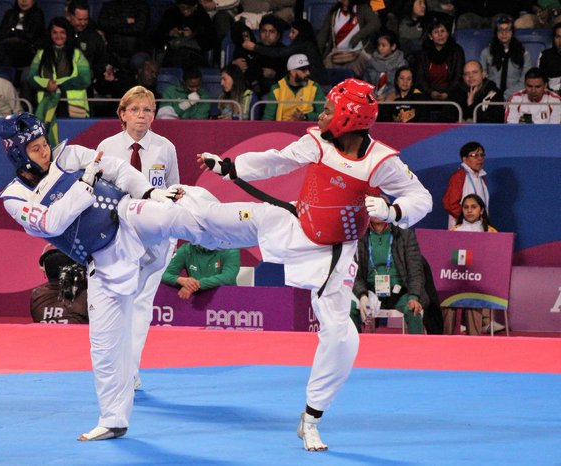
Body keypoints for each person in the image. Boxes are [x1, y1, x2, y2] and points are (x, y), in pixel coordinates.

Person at [187, 78, 432, 451]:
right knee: (212, 219)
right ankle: (152, 207)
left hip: (331, 254)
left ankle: (311, 418)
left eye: (330, 109)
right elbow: (276, 160)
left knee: (342, 337)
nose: (321, 114)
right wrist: (229, 166)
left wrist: (392, 209)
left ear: (349, 119)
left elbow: (422, 198)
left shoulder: (381, 163)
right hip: (292, 223)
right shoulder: (316, 141)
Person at [0, 112, 219, 442]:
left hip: (128, 219)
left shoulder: (68, 155)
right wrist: (85, 184)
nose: (44, 151)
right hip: (102, 262)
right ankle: (113, 419)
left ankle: (237, 223)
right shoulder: (15, 197)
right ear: (18, 154)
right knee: (104, 347)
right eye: (35, 148)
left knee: (170, 207)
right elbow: (51, 224)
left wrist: (147, 192)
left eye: (44, 143)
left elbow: (115, 168)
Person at [96, 85, 180, 391]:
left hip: (154, 236)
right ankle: (117, 365)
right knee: (119, 302)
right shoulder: (107, 147)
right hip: (117, 234)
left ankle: (130, 369)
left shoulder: (164, 148)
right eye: (135, 110)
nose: (141, 116)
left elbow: (173, 190)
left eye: (147, 110)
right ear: (122, 114)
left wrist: (172, 235)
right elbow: (95, 191)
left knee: (142, 304)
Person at [350, 214, 427, 335]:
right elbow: (354, 273)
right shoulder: (358, 237)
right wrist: (362, 295)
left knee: (413, 310)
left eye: (380, 209)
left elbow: (415, 270)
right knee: (349, 308)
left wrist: (414, 297)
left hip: (401, 293)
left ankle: (418, 351)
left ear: (388, 212)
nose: (376, 214)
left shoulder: (405, 235)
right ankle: (354, 349)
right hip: (370, 293)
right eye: (373, 210)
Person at [28, 16, 92, 146]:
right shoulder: (41, 53)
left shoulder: (77, 54)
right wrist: (46, 84)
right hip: (46, 107)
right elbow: (31, 78)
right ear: (49, 34)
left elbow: (85, 79)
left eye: (62, 32)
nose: (58, 36)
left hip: (71, 109)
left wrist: (59, 84)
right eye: (55, 32)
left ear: (67, 34)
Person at [442, 194, 497, 336]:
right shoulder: (453, 231)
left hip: (480, 282)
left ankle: (474, 346)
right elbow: (446, 259)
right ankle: (444, 344)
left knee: (474, 301)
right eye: (466, 207)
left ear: (482, 210)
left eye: (473, 207)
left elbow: (494, 262)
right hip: (455, 280)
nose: (469, 210)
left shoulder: (491, 233)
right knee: (447, 303)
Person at [240, 18, 328, 87]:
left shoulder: (305, 45)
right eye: (290, 32)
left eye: (293, 32)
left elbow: (279, 53)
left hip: (318, 87)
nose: (289, 35)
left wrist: (255, 47)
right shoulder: (307, 44)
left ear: (302, 34)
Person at [316, 0, 381, 78]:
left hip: (359, 52)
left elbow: (375, 23)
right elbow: (323, 35)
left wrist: (357, 36)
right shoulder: (334, 12)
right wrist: (317, 55)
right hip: (337, 54)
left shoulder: (362, 9)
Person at [231, 13, 289, 98]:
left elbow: (290, 76)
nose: (267, 35)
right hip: (252, 91)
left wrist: (275, 74)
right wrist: (234, 66)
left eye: (272, 31)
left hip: (277, 92)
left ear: (278, 35)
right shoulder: (251, 49)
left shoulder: (284, 51)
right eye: (264, 31)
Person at [31, 246, 89, 324]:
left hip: (45, 335)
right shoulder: (87, 293)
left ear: (46, 273)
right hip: (78, 335)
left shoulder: (37, 294)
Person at [479, 14, 531, 100]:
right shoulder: (486, 53)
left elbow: (525, 81)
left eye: (507, 30)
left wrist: (506, 95)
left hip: (516, 95)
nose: (504, 33)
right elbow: (482, 78)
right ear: (496, 33)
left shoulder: (523, 54)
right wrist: (495, 94)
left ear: (512, 32)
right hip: (491, 95)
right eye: (500, 30)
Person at [161, 244, 241, 299]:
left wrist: (196, 284)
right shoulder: (186, 249)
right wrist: (180, 280)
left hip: (226, 301)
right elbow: (163, 274)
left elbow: (228, 277)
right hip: (193, 301)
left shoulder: (230, 250)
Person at [152, 0, 217, 68]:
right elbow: (156, 38)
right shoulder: (171, 14)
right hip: (171, 51)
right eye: (182, 7)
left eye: (189, 8)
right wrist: (169, 33)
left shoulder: (201, 16)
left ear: (195, 6)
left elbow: (211, 41)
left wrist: (193, 34)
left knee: (182, 53)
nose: (185, 10)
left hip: (193, 54)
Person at [414, 16, 465, 103]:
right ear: (430, 36)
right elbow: (420, 78)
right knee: (417, 97)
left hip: (451, 91)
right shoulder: (423, 53)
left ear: (448, 33)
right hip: (428, 92)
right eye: (436, 32)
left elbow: (458, 76)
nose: (440, 35)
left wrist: (447, 93)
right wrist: (431, 92)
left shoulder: (456, 51)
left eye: (442, 31)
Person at [262, 53, 326, 121]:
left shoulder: (314, 87)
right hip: (282, 128)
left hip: (307, 128)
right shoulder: (277, 88)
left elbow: (323, 115)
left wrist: (306, 116)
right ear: (292, 72)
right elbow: (268, 117)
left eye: (308, 69)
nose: (308, 73)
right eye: (303, 70)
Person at [0, 0, 45, 71]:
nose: (24, 1)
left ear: (33, 1)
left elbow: (31, 36)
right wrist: (20, 33)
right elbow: (1, 34)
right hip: (7, 47)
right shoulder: (10, 13)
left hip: (28, 50)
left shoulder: (38, 14)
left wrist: (12, 31)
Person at [97, 0, 150, 71]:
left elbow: (139, 28)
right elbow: (103, 23)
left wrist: (113, 28)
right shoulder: (109, 5)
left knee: (138, 61)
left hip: (135, 52)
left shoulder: (142, 6)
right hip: (111, 52)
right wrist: (125, 21)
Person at [362, 30, 408, 100]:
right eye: (379, 45)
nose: (380, 48)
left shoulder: (402, 64)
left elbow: (402, 86)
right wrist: (371, 95)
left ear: (393, 46)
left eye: (384, 45)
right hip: (372, 98)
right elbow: (365, 83)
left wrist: (386, 96)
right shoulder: (371, 62)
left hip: (392, 99)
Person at [538, 22, 561, 93]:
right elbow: (540, 80)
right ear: (553, 39)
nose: (560, 41)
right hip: (550, 96)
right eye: (558, 37)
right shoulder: (545, 55)